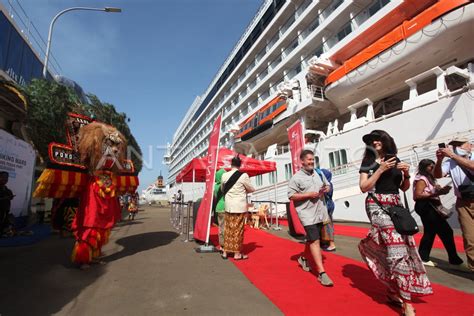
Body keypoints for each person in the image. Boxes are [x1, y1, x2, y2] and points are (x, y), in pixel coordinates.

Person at [358, 130, 432, 316]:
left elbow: (403, 187)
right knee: (396, 247)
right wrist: (380, 169)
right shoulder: (368, 162)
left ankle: (392, 290)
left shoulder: (396, 159)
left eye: (379, 138)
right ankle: (406, 303)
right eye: (371, 140)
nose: (375, 141)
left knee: (401, 247)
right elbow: (364, 187)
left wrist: (406, 175)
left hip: (396, 205)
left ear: (386, 141)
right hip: (377, 204)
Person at [288, 150, 334, 287]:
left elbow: (328, 185)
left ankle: (303, 258)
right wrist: (308, 195)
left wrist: (327, 188)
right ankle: (322, 273)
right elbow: (291, 196)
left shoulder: (319, 173)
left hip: (321, 212)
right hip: (307, 214)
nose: (311, 162)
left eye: (312, 159)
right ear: (301, 162)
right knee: (315, 240)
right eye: (309, 160)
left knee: (312, 239)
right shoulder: (296, 178)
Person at [413, 159, 465, 269]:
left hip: (429, 206)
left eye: (434, 166)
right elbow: (417, 195)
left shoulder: (430, 178)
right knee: (446, 231)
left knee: (430, 232)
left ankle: (423, 257)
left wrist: (441, 191)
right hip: (426, 206)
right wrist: (437, 193)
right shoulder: (422, 179)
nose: (433, 168)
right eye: (430, 167)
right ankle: (454, 259)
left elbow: (432, 191)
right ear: (424, 167)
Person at [434, 137, 474, 272]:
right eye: (454, 145)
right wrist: (439, 160)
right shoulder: (450, 162)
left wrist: (452, 154)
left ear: (470, 145)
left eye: (460, 144)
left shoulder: (463, 157)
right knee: (470, 238)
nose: (457, 147)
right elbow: (438, 174)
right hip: (464, 203)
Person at [221, 156, 255, 260]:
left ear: (231, 164)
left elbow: (223, 189)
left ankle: (225, 252)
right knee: (238, 230)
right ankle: (237, 254)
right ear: (240, 165)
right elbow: (251, 189)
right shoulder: (243, 175)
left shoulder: (224, 175)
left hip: (228, 206)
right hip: (239, 207)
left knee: (228, 229)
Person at [316, 167, 336, 251]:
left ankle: (331, 244)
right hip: (329, 205)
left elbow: (323, 193)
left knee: (328, 225)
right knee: (324, 225)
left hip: (326, 206)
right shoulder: (330, 184)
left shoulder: (327, 185)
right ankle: (325, 242)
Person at [213, 169, 226, 251]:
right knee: (224, 228)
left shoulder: (215, 186)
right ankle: (224, 245)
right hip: (224, 207)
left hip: (218, 208)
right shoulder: (223, 185)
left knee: (220, 228)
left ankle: (222, 245)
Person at [0, 171, 14, 237]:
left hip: (5, 210)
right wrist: (3, 198)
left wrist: (10, 197)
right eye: (3, 177)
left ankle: (3, 231)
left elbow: (10, 197)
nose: (5, 179)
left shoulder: (7, 189)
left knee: (5, 222)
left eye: (7, 178)